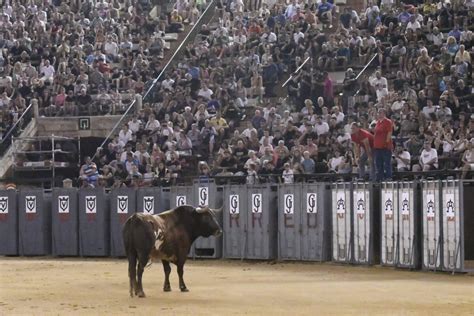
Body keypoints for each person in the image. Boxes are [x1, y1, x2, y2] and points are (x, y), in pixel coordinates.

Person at [373, 108, 393, 181]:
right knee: (378, 163)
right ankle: (380, 177)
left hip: (385, 146)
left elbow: (389, 132)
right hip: (377, 146)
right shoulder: (378, 122)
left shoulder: (388, 122)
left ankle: (388, 177)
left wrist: (386, 142)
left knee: (386, 162)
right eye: (378, 112)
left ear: (384, 113)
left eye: (380, 112)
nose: (379, 114)